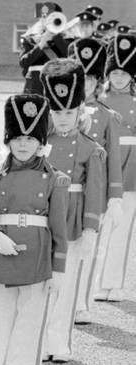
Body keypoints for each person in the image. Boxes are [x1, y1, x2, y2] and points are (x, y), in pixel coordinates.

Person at [0, 94, 68, 365]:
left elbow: (59, 229)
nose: (23, 144)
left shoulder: (53, 179)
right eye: (17, 138)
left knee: (27, 336)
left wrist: (58, 270)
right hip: (1, 262)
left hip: (38, 263)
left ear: (41, 141)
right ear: (8, 140)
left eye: (30, 138)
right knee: (0, 332)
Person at [40, 58, 105, 362]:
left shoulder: (90, 147)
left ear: (80, 111)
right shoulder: (39, 144)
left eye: (69, 112)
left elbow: (94, 191)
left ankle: (59, 343)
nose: (63, 119)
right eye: (57, 112)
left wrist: (91, 227)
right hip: (44, 221)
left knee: (67, 287)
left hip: (74, 221)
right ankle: (40, 341)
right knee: (42, 285)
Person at [69, 36, 123, 323]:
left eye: (91, 78)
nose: (87, 85)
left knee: (89, 249)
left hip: (94, 194)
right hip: (64, 194)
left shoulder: (107, 115)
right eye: (82, 78)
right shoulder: (59, 114)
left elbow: (113, 158)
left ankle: (81, 302)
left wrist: (114, 198)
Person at [93, 29, 136, 302]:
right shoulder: (100, 102)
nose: (118, 77)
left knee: (124, 228)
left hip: (132, 167)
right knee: (99, 227)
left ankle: (115, 283)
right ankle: (96, 283)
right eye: (114, 72)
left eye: (124, 73)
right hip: (107, 165)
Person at [18, 2, 69, 95]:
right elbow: (23, 62)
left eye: (51, 17)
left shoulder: (65, 38)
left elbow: (69, 57)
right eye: (44, 17)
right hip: (35, 86)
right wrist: (41, 45)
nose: (46, 20)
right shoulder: (30, 38)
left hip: (58, 85)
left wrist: (56, 38)